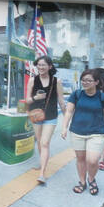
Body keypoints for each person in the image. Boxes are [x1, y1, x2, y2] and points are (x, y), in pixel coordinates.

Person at [61, 69, 104, 197]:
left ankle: (91, 179)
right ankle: (82, 182)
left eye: (89, 80)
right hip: (77, 132)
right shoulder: (76, 94)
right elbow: (68, 112)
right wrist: (64, 127)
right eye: (83, 80)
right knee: (80, 159)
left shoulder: (103, 98)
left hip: (96, 133)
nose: (85, 83)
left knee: (92, 160)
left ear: (96, 82)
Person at [27, 55, 64, 183]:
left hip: (51, 116)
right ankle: (42, 164)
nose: (41, 67)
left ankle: (42, 173)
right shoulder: (32, 80)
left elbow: (61, 101)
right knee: (39, 141)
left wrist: (66, 119)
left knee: (44, 142)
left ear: (50, 66)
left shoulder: (56, 82)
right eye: (39, 64)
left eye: (43, 65)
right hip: (36, 115)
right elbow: (27, 100)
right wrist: (35, 98)